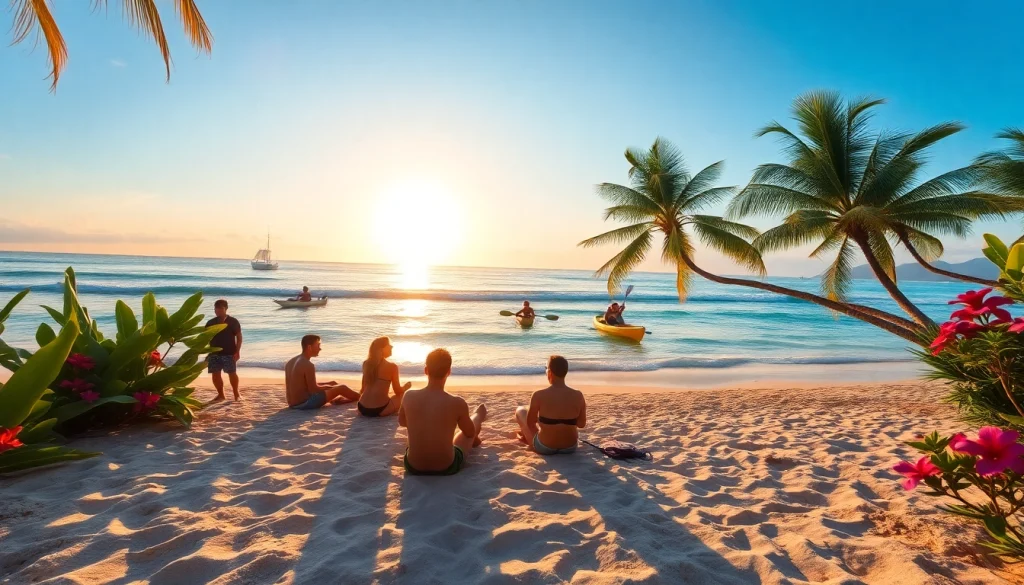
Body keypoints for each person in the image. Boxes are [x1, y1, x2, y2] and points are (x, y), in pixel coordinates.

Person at [399, 349, 488, 475]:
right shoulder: (457, 402)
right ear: (449, 372)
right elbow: (469, 433)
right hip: (446, 467)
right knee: (470, 428)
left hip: (413, 466)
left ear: (426, 370)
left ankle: (476, 417)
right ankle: (478, 415)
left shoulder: (409, 396)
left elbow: (402, 422)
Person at [515, 355, 587, 455]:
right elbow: (581, 424)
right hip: (570, 447)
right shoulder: (578, 395)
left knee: (521, 410)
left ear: (550, 372)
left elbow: (530, 424)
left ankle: (529, 439)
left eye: (546, 368)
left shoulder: (538, 395)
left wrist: (543, 430)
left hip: (545, 447)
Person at [285, 335, 359, 409]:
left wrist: (328, 384)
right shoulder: (308, 365)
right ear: (309, 347)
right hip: (305, 403)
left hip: (292, 403)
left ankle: (344, 399)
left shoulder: (290, 362)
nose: (320, 349)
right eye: (318, 345)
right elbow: (313, 390)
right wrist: (331, 387)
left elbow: (303, 385)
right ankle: (360, 397)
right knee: (342, 388)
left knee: (332, 383)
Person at [357, 336, 410, 417]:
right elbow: (397, 391)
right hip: (380, 409)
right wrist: (406, 387)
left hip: (361, 407)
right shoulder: (392, 367)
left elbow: (362, 389)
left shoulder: (366, 364)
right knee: (403, 395)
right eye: (389, 345)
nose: (392, 346)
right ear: (382, 349)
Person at [207, 299, 243, 401]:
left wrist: (237, 351)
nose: (218, 311)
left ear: (226, 308)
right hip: (214, 353)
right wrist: (207, 352)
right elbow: (206, 338)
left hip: (229, 352)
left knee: (232, 373)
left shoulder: (233, 321)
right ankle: (221, 395)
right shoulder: (210, 323)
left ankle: (236, 394)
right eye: (216, 309)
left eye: (220, 308)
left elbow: (239, 337)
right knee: (215, 375)